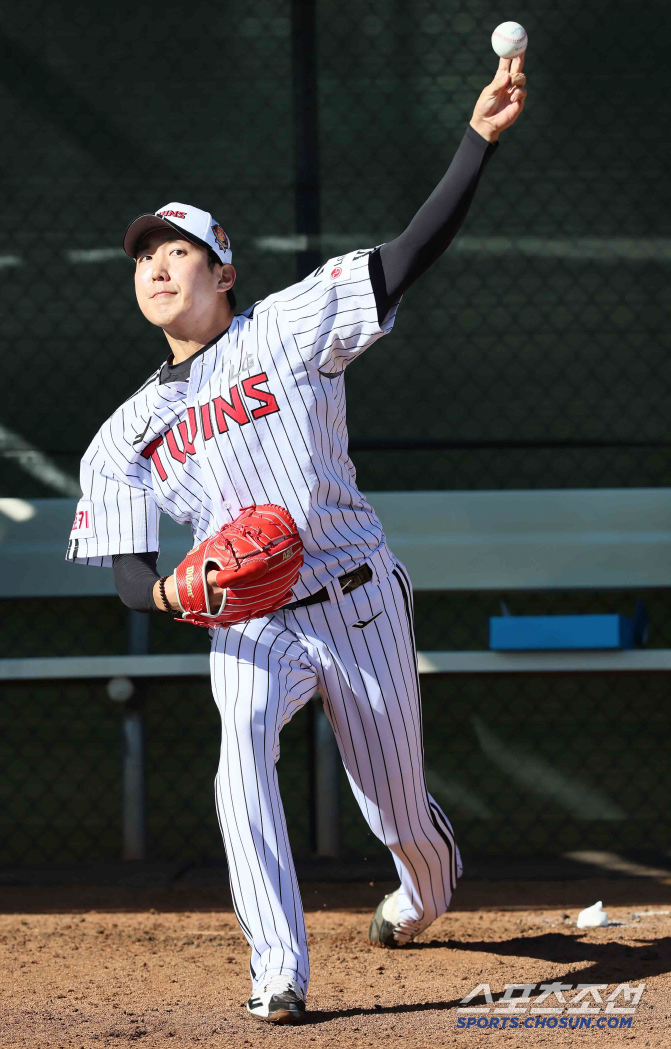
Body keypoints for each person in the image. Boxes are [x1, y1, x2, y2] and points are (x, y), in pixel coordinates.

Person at [67, 56, 526, 1025]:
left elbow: (407, 254)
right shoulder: (123, 431)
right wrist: (172, 595)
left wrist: (475, 142)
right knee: (239, 750)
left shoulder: (285, 329)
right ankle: (279, 967)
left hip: (357, 595)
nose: (155, 265)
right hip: (250, 616)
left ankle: (424, 888)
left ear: (222, 270)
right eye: (143, 255)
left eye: (178, 250)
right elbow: (125, 571)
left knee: (395, 809)